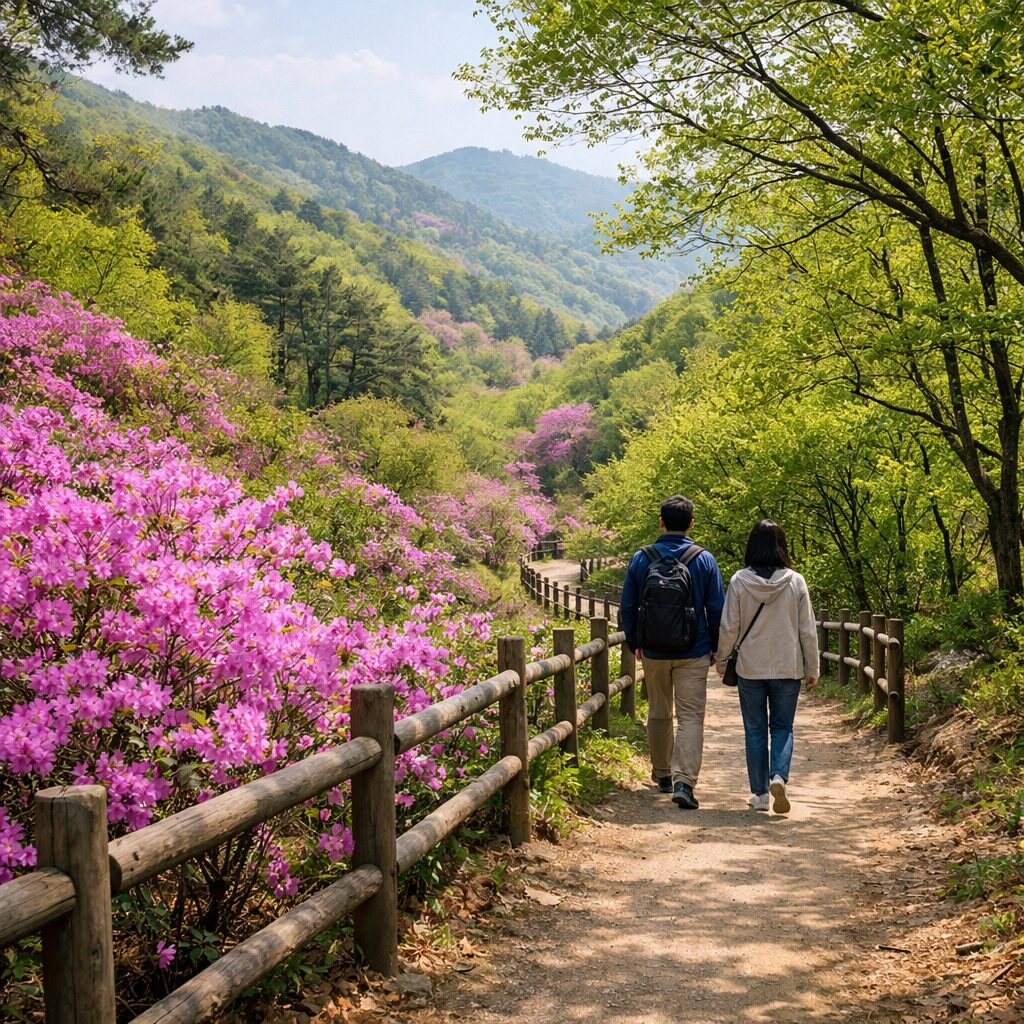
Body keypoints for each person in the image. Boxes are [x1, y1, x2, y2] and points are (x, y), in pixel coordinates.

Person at [619, 495, 725, 810]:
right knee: (691, 717)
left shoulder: (641, 558)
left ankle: (663, 775)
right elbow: (717, 608)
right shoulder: (704, 559)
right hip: (694, 649)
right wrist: (718, 646)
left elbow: (627, 605)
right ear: (691, 523)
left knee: (658, 711)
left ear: (661, 522)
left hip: (652, 649)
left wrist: (635, 642)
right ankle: (684, 782)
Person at [715, 520, 819, 814]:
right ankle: (778, 777)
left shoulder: (738, 581)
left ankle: (759, 794)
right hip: (788, 666)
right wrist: (813, 667)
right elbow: (807, 630)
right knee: (783, 727)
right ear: (781, 546)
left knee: (755, 730)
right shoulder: (796, 581)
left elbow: (729, 627)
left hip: (750, 667)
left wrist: (722, 660)